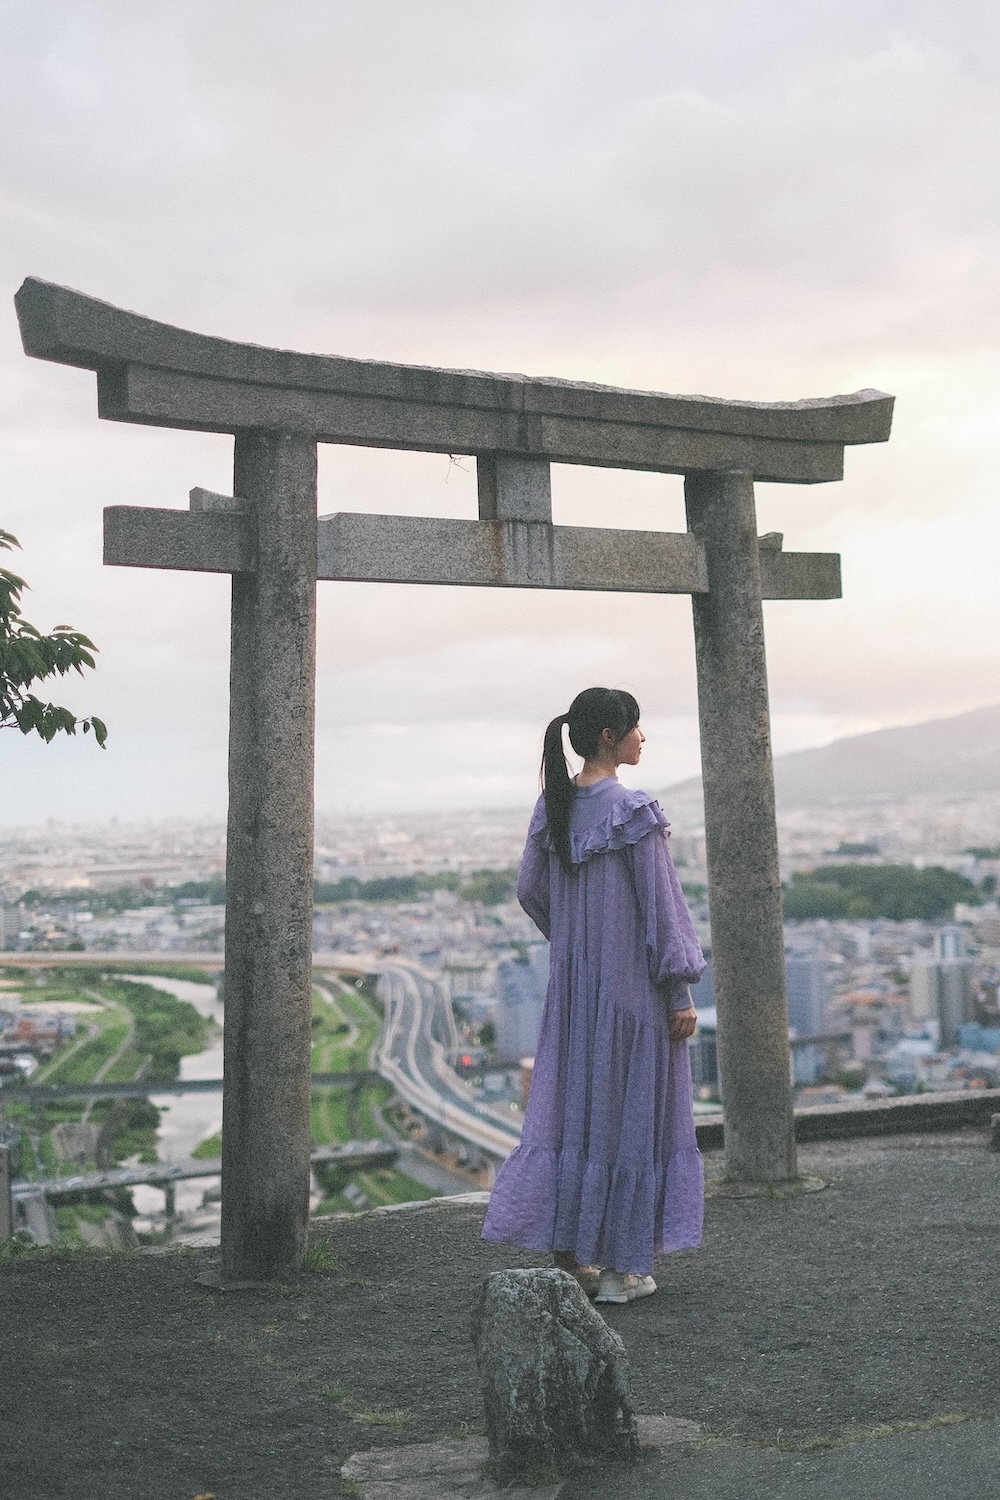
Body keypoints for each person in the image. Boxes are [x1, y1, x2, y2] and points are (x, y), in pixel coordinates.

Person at [481, 686, 704, 1305]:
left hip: (574, 993)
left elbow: (531, 890)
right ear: (610, 736)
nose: (642, 738)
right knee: (634, 1120)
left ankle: (569, 1255)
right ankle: (623, 1269)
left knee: (573, 1113)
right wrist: (679, 991)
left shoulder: (552, 805)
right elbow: (663, 909)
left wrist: (577, 939)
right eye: (637, 727)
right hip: (634, 994)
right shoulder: (632, 809)